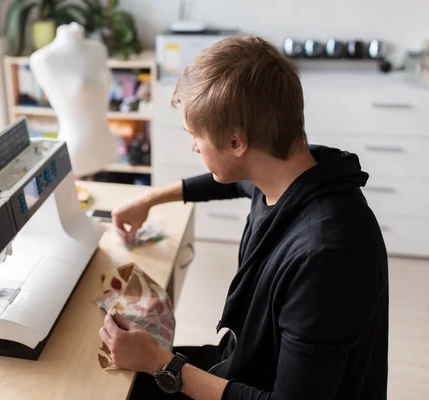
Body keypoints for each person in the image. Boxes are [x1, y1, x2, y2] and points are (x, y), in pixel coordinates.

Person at [98, 36, 389, 400]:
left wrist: (161, 362)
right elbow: (232, 185)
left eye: (195, 136)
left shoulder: (326, 256)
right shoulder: (292, 168)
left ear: (236, 143)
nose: (193, 147)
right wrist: (151, 199)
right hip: (247, 365)